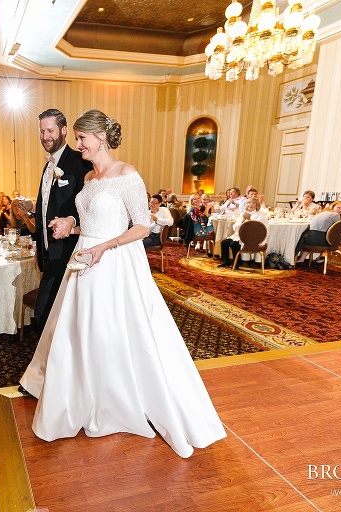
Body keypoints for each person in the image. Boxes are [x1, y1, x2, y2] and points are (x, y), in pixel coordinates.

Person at [19, 109, 226, 458]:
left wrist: (104, 246)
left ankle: (120, 400)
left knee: (115, 331)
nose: (78, 144)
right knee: (82, 332)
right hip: (85, 259)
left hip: (114, 262)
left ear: (99, 137)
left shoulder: (127, 174)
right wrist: (72, 226)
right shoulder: (87, 178)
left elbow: (142, 226)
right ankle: (87, 395)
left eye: (82, 138)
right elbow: (96, 222)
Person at [32, 108, 92, 329]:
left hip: (70, 251)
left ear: (64, 130)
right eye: (41, 131)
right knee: (49, 317)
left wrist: (72, 220)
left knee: (52, 316)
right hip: (50, 252)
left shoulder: (80, 162)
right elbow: (44, 209)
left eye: (50, 130)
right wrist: (41, 248)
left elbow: (88, 205)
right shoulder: (48, 165)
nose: (45, 136)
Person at [218, 198, 268, 268]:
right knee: (224, 243)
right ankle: (227, 261)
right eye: (249, 203)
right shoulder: (243, 214)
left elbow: (257, 229)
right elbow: (235, 227)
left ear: (257, 205)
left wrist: (248, 220)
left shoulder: (260, 215)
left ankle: (237, 263)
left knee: (234, 244)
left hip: (252, 238)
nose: (250, 205)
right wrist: (242, 221)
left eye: (253, 203)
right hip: (239, 235)